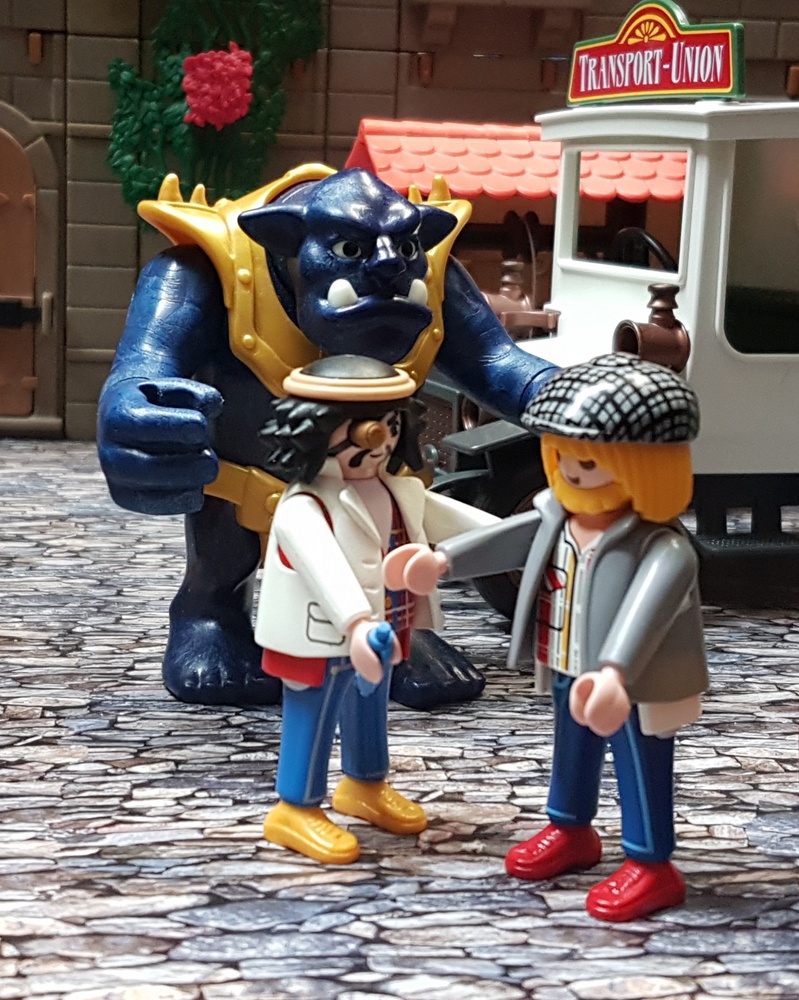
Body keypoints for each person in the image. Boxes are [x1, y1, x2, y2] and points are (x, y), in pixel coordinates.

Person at [385, 354, 709, 920]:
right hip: (564, 660)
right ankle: (571, 828)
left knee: (640, 762)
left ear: (645, 467)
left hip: (635, 683)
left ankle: (652, 862)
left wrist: (616, 673)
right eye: (560, 456)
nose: (571, 472)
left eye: (588, 461)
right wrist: (442, 560)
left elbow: (648, 612)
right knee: (571, 749)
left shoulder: (664, 548)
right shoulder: (560, 514)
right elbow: (509, 538)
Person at [255, 354, 498, 864]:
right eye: (364, 429)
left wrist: (523, 538)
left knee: (370, 707)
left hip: (387, 626)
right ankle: (294, 807)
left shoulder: (398, 490)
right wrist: (356, 622)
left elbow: (461, 523)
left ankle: (364, 784)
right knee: (313, 714)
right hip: (321, 635)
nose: (379, 440)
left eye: (389, 425)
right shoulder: (305, 505)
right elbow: (324, 567)